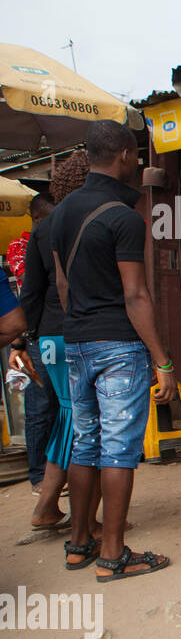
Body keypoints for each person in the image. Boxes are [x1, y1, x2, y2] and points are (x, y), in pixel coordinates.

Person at [50, 119, 174, 580]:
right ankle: (113, 555)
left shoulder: (61, 214)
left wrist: (79, 324)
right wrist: (163, 361)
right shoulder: (124, 218)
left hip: (76, 341)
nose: (139, 162)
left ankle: (79, 544)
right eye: (137, 155)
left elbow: (63, 285)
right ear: (123, 155)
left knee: (85, 444)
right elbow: (136, 295)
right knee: (119, 450)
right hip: (118, 345)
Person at [12, 155, 95, 531]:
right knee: (84, 423)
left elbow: (30, 292)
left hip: (48, 337)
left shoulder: (43, 231)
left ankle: (49, 506)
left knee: (68, 418)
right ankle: (82, 519)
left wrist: (20, 340)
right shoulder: (94, 221)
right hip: (83, 333)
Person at [10, 193, 57, 501]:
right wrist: (19, 341)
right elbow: (30, 287)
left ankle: (53, 471)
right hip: (34, 335)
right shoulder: (20, 246)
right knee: (40, 406)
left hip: (54, 334)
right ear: (38, 218)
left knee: (59, 406)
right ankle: (38, 473)